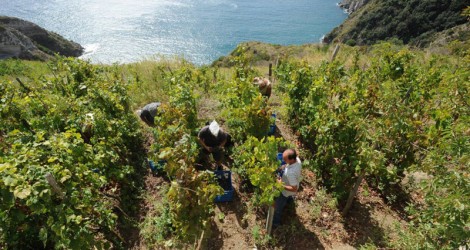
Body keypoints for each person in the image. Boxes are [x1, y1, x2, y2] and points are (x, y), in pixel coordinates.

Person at [273, 148, 302, 228]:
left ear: (291, 159)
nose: (283, 160)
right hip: (292, 184)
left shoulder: (291, 173)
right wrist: (284, 166)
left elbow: (294, 189)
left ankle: (276, 223)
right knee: (289, 197)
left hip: (286, 191)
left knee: (277, 208)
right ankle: (289, 201)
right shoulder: (297, 160)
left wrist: (280, 185)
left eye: (285, 159)